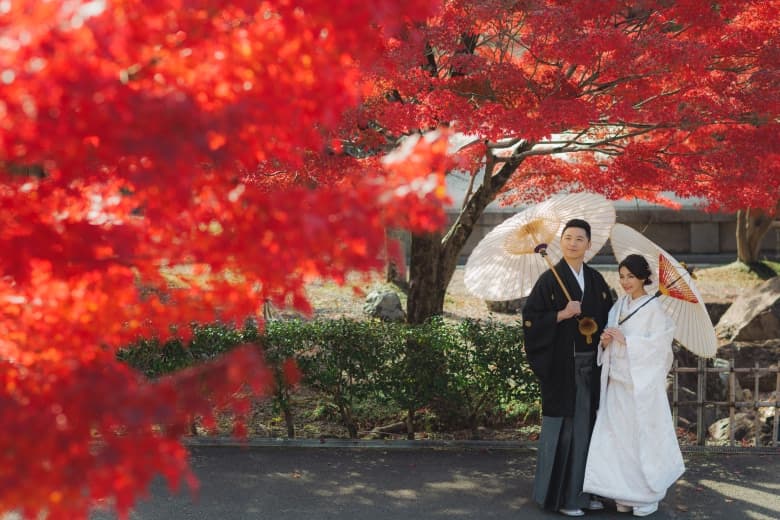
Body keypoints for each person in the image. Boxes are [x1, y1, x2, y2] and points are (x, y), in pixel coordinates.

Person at [522, 218, 614, 517]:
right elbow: (531, 319)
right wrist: (561, 314)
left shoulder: (597, 280)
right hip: (563, 367)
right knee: (566, 431)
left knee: (589, 429)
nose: (573, 243)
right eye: (568, 237)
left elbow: (608, 316)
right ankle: (563, 497)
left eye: (579, 239)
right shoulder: (550, 279)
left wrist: (605, 337)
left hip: (592, 365)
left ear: (589, 245)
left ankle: (586, 494)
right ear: (561, 242)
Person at [583, 254, 685, 517]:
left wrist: (629, 342)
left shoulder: (653, 308)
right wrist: (605, 341)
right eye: (622, 276)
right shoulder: (618, 307)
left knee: (642, 440)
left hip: (641, 387)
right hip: (617, 383)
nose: (626, 282)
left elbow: (661, 347)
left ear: (643, 278)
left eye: (631, 276)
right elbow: (607, 339)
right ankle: (624, 493)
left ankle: (646, 495)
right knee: (619, 440)